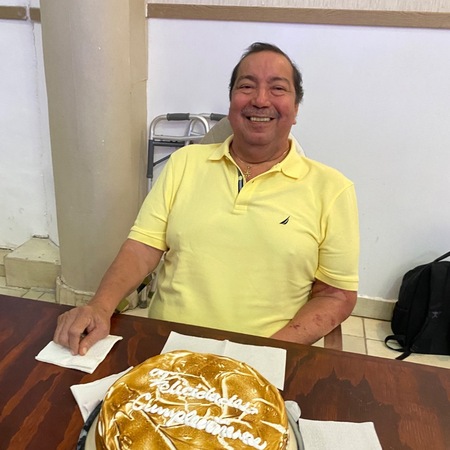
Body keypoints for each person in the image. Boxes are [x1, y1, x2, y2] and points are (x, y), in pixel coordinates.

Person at [54, 42, 359, 356]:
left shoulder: (331, 189)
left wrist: (267, 351)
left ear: (295, 109)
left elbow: (335, 295)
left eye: (278, 88)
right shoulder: (185, 163)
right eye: (246, 86)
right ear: (231, 102)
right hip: (167, 348)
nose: (260, 99)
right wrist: (100, 306)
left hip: (263, 357)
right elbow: (142, 249)